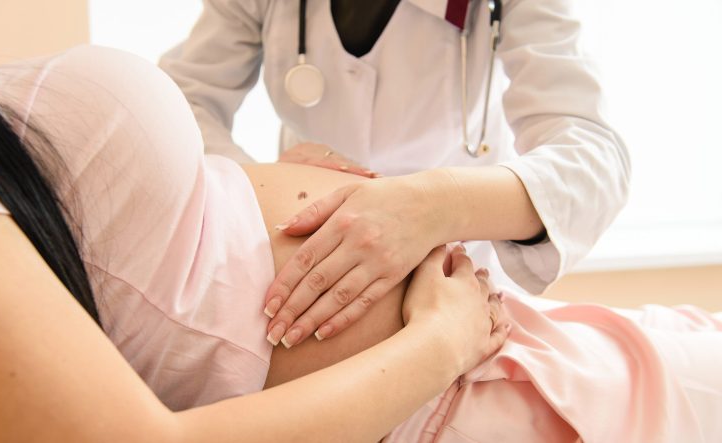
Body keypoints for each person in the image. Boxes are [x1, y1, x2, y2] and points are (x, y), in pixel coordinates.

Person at [0, 46, 720, 442]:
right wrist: (440, 341)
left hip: (505, 343)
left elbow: (594, 156)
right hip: (442, 401)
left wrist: (249, 173)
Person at [159, 0, 632, 347]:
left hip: (457, 277)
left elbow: (594, 159)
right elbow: (177, 99)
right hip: (304, 263)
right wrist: (260, 180)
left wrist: (436, 205)